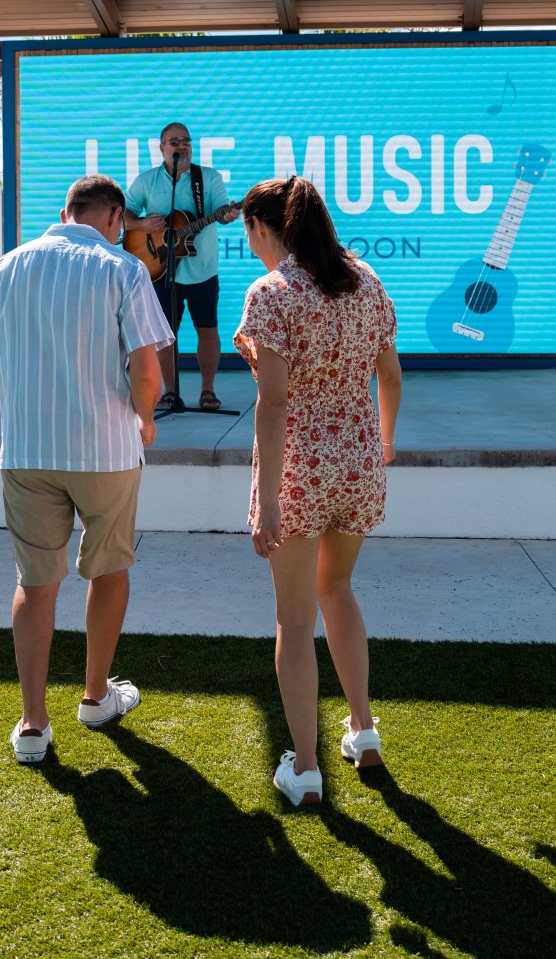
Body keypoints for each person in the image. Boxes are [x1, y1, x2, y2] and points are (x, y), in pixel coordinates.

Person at [0, 174, 174, 764]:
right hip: (106, 450)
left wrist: (29, 403)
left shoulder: (10, 266)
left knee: (35, 583)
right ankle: (93, 697)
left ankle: (33, 724)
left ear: (64, 211)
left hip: (28, 451)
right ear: (114, 217)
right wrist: (145, 418)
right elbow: (148, 372)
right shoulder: (124, 270)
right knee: (107, 571)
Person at [233, 176, 403, 807]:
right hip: (358, 463)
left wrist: (270, 498)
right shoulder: (367, 281)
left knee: (294, 617)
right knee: (339, 589)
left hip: (300, 470)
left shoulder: (272, 294)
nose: (250, 247)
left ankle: (304, 767)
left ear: (261, 226)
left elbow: (272, 403)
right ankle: (362, 731)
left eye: (248, 233)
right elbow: (390, 377)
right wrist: (381, 445)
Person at [124, 121, 240, 410]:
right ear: (161, 147)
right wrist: (139, 223)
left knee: (208, 330)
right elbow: (122, 213)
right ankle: (171, 392)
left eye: (186, 141)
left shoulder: (209, 178)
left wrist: (227, 215)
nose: (182, 146)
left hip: (202, 270)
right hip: (161, 272)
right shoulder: (146, 181)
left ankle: (208, 391)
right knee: (165, 335)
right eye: (174, 141)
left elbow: (222, 210)